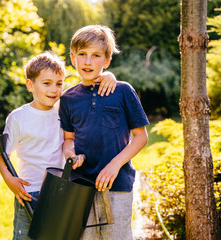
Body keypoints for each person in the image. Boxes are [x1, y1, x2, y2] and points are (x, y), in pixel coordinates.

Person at [0, 51, 117, 240]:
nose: (54, 89)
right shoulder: (18, 118)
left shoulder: (64, 109)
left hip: (61, 190)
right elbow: (2, 154)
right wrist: (10, 181)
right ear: (30, 85)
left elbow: (88, 86)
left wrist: (108, 76)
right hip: (29, 192)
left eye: (59, 83)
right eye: (47, 83)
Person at [59, 25, 149, 240]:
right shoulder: (67, 98)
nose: (88, 62)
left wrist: (114, 165)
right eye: (82, 54)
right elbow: (68, 139)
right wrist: (71, 155)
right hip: (80, 187)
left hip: (117, 185)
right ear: (73, 58)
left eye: (96, 55)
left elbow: (141, 136)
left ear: (107, 61)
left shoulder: (122, 90)